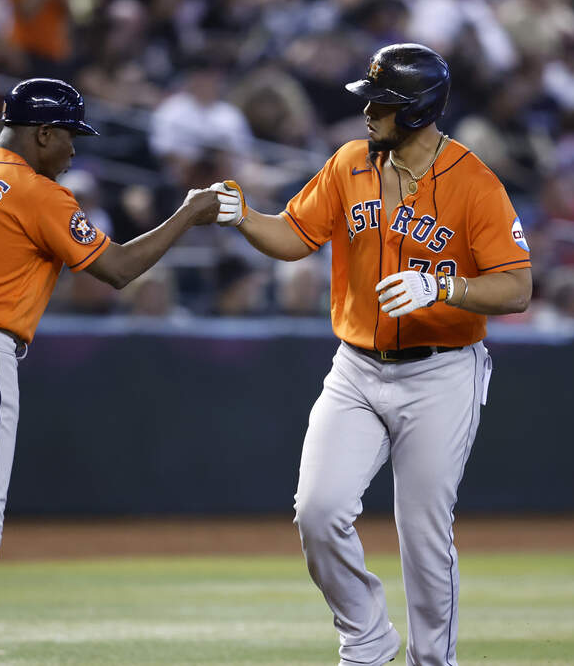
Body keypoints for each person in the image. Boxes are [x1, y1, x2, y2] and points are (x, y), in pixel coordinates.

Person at [0, 78, 217, 666]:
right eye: (70, 135)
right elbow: (120, 269)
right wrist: (187, 214)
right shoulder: (38, 193)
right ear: (42, 132)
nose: (75, 149)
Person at [213, 44, 532, 666]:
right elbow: (295, 235)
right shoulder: (350, 163)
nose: (367, 109)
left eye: (381, 101)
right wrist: (244, 216)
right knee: (318, 510)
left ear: (416, 109)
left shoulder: (473, 182)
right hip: (357, 367)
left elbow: (517, 286)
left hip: (442, 369)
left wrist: (444, 286)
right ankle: (366, 635)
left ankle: (432, 661)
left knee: (422, 533)